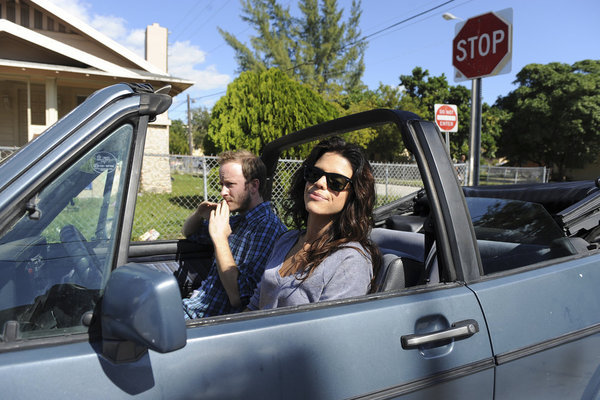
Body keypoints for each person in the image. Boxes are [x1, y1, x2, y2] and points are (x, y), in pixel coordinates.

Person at [247, 137, 381, 311]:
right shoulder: (286, 240)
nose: (319, 183)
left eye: (336, 182)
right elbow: (254, 306)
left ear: (354, 196)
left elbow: (327, 333)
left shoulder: (350, 261)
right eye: (314, 174)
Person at [182, 150, 286, 319]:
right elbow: (189, 233)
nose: (223, 192)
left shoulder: (268, 229)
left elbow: (239, 298)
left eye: (229, 185)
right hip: (193, 308)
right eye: (222, 184)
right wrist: (199, 214)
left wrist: (220, 238)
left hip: (208, 320)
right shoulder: (236, 220)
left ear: (254, 186)